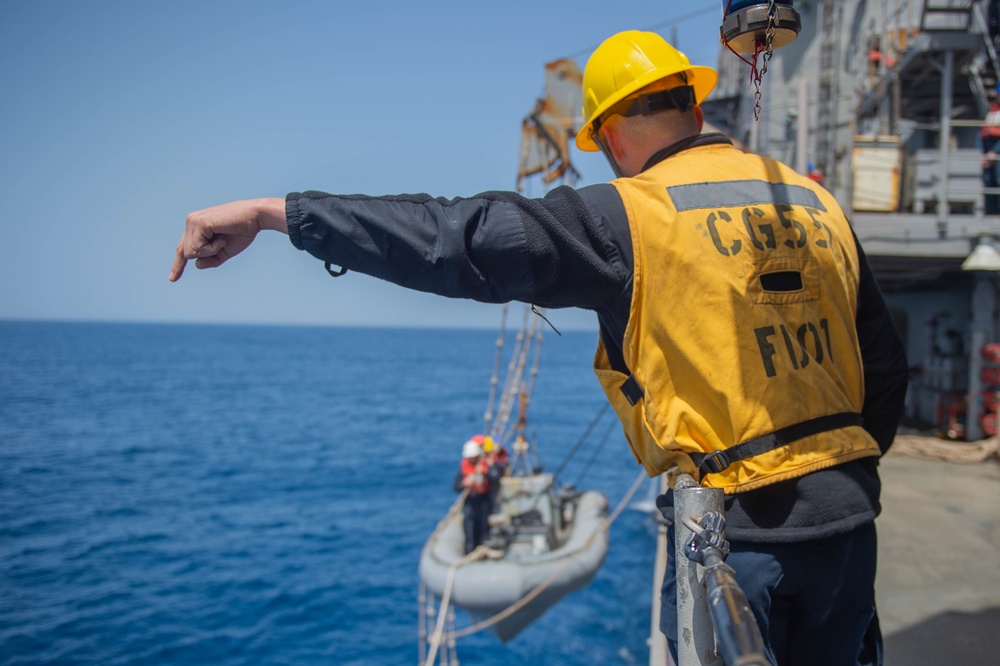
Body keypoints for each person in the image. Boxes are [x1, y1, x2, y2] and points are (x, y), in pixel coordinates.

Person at [170, 30, 908, 665]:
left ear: (613, 133)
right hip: (850, 526)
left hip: (740, 538)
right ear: (692, 103)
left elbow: (454, 238)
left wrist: (281, 214)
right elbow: (882, 364)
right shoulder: (815, 202)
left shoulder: (631, 214)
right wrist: (841, 474)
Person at [453, 438, 498, 554]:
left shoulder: (485, 465)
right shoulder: (464, 469)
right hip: (470, 501)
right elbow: (456, 486)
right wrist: (465, 483)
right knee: (469, 528)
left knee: (483, 527)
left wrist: (485, 473)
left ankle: (483, 548)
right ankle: (469, 551)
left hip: (484, 501)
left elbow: (495, 479)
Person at [981, 83, 1000, 215]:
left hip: (997, 148)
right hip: (988, 148)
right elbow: (983, 129)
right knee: (988, 181)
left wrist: (995, 152)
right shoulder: (993, 109)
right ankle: (991, 213)